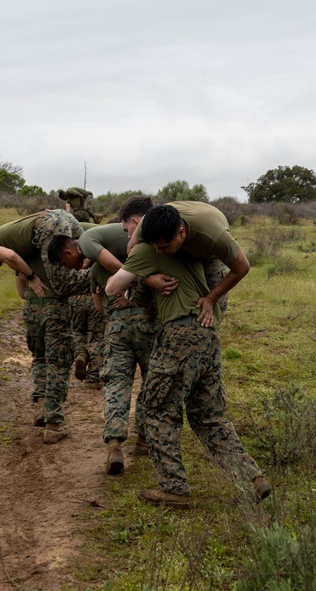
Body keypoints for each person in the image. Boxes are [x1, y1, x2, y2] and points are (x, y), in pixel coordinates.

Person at [106, 204, 271, 507]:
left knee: (155, 409)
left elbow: (112, 286)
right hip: (208, 336)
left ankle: (174, 487)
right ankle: (253, 479)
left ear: (181, 234)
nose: (160, 250)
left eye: (164, 246)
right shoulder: (193, 259)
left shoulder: (150, 252)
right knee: (210, 417)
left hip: (178, 337)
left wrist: (146, 276)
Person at [50, 195, 159, 475]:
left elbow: (98, 306)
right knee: (150, 382)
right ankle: (145, 440)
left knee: (116, 384)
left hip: (117, 328)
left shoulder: (99, 267)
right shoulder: (147, 258)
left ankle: (114, 444)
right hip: (148, 323)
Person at [0, 209, 90, 443]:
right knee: (58, 363)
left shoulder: (21, 254)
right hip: (56, 307)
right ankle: (53, 424)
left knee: (39, 358)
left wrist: (29, 277)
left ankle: (40, 406)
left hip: (32, 308)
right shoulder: (52, 247)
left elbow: (19, 293)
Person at [128, 201, 250, 325]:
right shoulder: (148, 223)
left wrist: (210, 298)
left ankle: (208, 332)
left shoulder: (214, 236)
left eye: (164, 247)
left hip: (207, 253)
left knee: (211, 307)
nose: (158, 252)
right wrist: (148, 278)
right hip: (178, 247)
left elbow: (242, 267)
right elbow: (131, 249)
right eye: (154, 246)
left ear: (181, 233)